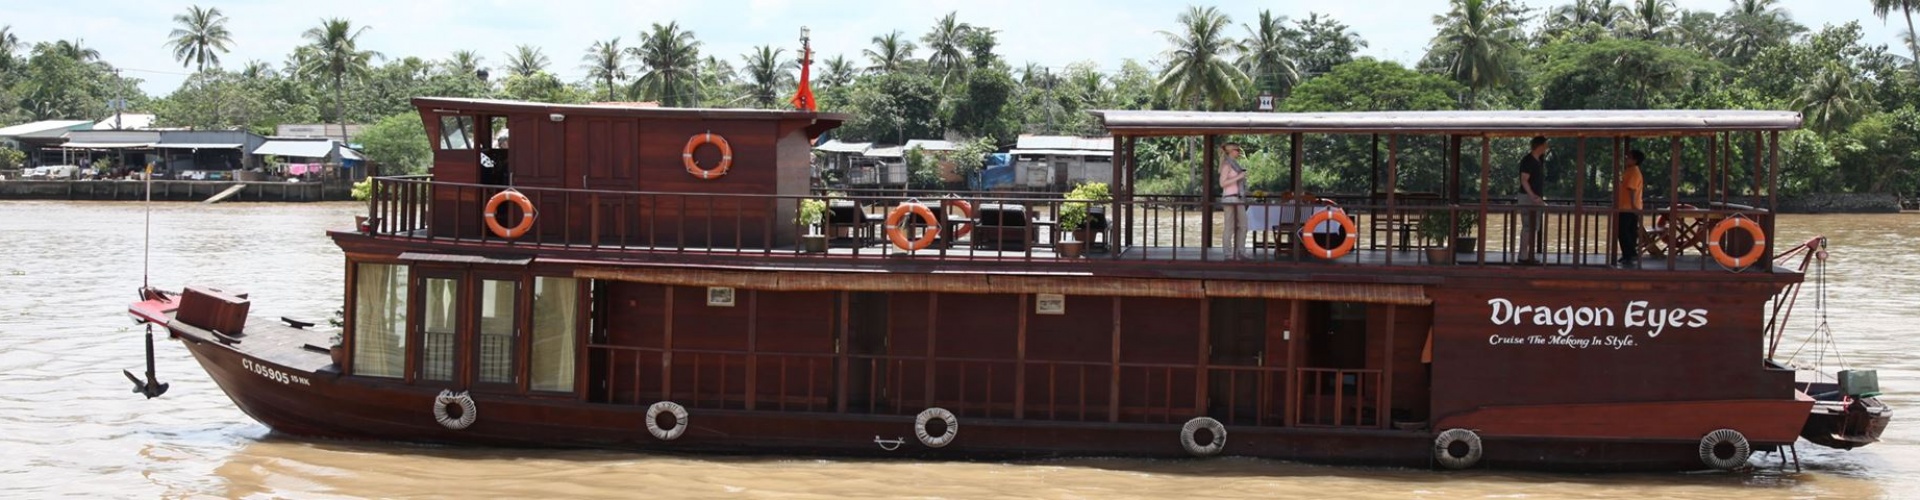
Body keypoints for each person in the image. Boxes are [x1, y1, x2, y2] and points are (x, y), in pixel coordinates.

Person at [1515, 136, 1549, 265]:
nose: (1547, 147)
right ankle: (1524, 256)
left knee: (1533, 227)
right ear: (1540, 145)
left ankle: (1529, 255)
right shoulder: (1528, 160)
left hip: (1534, 198)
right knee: (1528, 227)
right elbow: (1524, 180)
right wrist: (1533, 196)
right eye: (1546, 144)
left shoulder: (1539, 160)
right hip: (1527, 198)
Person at [1218, 142, 1250, 260]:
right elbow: (1222, 183)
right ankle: (1228, 253)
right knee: (1229, 227)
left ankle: (1241, 250)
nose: (1239, 152)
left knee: (1243, 225)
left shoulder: (1235, 164)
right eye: (1237, 150)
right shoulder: (1227, 165)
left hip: (1238, 197)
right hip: (1230, 198)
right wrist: (1239, 177)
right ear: (1231, 151)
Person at [1615, 149, 1646, 268]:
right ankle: (1627, 254)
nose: (1626, 158)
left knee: (1623, 231)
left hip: (1628, 207)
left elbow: (1632, 189)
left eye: (1629, 157)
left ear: (1635, 160)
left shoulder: (1633, 171)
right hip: (1626, 206)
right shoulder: (1629, 171)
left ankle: (1630, 254)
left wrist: (1633, 206)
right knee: (1630, 231)